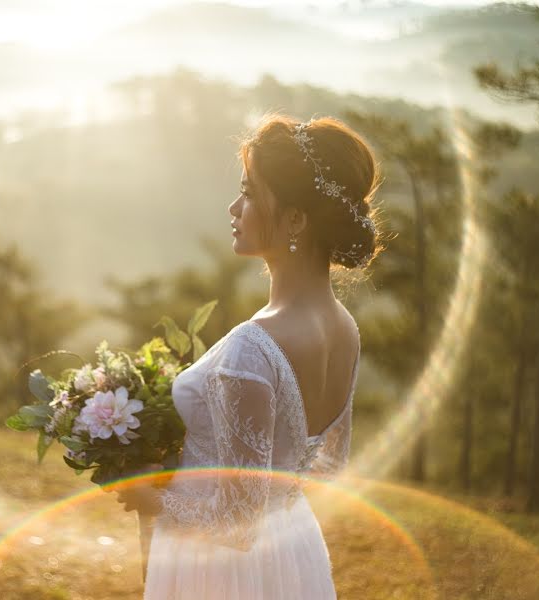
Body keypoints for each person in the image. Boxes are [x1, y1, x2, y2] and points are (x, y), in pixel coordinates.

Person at [114, 113, 384, 599]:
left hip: (218, 572)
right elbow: (327, 466)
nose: (234, 207)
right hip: (292, 549)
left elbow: (236, 525)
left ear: (297, 218)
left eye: (250, 193)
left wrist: (151, 497)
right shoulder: (345, 328)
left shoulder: (251, 347)